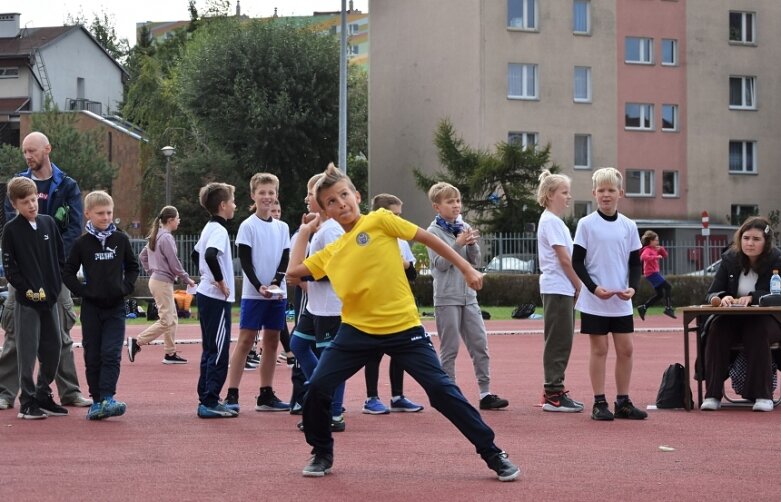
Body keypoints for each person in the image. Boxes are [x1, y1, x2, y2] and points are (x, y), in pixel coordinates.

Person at [286, 164, 519, 481]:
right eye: (330, 201)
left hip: (403, 328)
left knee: (441, 390)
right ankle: (321, 451)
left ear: (356, 196)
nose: (340, 203)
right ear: (324, 210)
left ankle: (493, 453)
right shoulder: (332, 252)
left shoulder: (380, 220)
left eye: (344, 195)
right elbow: (293, 272)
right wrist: (304, 232)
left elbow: (427, 239)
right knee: (316, 389)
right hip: (356, 331)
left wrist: (466, 268)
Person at [0, 131, 91, 411]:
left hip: (55, 272)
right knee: (16, 334)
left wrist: (52, 261)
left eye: (32, 151)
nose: (28, 156)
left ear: (47, 149)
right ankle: (6, 392)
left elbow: (74, 227)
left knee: (61, 332)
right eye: (24, 151)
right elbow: (10, 224)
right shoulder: (18, 184)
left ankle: (69, 391)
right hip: (24, 276)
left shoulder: (67, 185)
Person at [572, 167, 647, 421]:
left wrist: (633, 288)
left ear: (620, 193)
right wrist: (593, 288)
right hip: (595, 300)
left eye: (611, 190)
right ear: (594, 193)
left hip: (620, 301)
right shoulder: (586, 224)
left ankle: (623, 402)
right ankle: (599, 402)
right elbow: (577, 262)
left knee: (626, 349)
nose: (606, 195)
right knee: (600, 349)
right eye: (601, 190)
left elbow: (636, 263)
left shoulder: (629, 225)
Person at [426, 182, 508, 411]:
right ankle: (449, 395)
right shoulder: (432, 232)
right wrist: (457, 243)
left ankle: (485, 393)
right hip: (447, 297)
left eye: (458, 201)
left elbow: (474, 262)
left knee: (480, 345)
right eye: (450, 201)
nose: (456, 205)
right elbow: (440, 265)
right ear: (437, 206)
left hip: (469, 296)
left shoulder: (464, 226)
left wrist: (471, 245)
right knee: (449, 349)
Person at [62, 190, 139, 420]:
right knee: (93, 355)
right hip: (91, 309)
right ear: (88, 214)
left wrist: (125, 288)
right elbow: (67, 272)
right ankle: (97, 401)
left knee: (111, 353)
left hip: (115, 308)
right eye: (100, 213)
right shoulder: (82, 243)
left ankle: (108, 397)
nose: (105, 217)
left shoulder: (121, 240)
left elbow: (133, 267)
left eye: (109, 213)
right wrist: (83, 292)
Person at [224, 173, 290, 413]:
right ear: (253, 195)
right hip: (254, 295)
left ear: (276, 195)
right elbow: (245, 259)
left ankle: (266, 393)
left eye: (271, 192)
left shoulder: (282, 227)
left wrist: (275, 282)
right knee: (246, 340)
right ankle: (232, 393)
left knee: (272, 341)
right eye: (262, 192)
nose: (267, 197)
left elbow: (285, 257)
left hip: (277, 294)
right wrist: (259, 285)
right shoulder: (247, 225)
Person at [700, 216, 781, 412]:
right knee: (717, 329)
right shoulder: (729, 259)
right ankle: (712, 394)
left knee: (757, 330)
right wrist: (721, 298)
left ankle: (763, 396)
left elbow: (778, 295)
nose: (750, 243)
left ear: (766, 242)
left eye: (756, 239)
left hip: (768, 319)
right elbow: (711, 292)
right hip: (732, 318)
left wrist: (754, 298)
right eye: (746, 238)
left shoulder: (777, 260)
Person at [1, 177, 66, 419]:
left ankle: (42, 394)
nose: (31, 205)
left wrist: (55, 286)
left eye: (33, 199)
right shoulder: (11, 230)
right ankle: (26, 402)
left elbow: (60, 257)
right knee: (27, 353)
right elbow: (10, 269)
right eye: (25, 202)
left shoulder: (48, 223)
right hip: (27, 303)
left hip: (50, 299)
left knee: (54, 347)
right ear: (14, 204)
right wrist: (26, 289)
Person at [289, 172, 347, 431]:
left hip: (331, 308)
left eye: (311, 194)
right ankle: (319, 391)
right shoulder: (320, 228)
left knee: (330, 359)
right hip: (315, 305)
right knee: (298, 344)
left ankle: (334, 413)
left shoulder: (332, 230)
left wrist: (304, 274)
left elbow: (336, 269)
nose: (306, 198)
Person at [362, 193, 423, 414]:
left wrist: (405, 263)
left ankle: (397, 396)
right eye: (394, 215)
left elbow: (414, 274)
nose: (398, 219)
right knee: (373, 352)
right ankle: (371, 398)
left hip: (396, 304)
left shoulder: (402, 241)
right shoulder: (366, 238)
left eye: (400, 215)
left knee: (399, 352)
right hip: (374, 305)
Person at [536, 170, 584, 413]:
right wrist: (579, 285)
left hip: (560, 287)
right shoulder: (551, 222)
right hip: (558, 287)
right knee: (559, 340)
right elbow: (565, 259)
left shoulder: (554, 221)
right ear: (550, 194)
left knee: (562, 339)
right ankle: (554, 393)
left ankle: (554, 389)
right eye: (564, 192)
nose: (569, 197)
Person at [191, 182, 237, 418]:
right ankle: (209, 400)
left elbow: (195, 253)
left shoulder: (208, 227)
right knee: (219, 349)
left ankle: (206, 396)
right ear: (222, 205)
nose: (235, 206)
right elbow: (209, 255)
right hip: (216, 297)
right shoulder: (218, 230)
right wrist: (220, 281)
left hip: (205, 295)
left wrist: (205, 276)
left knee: (210, 348)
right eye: (232, 201)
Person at [128, 206, 195, 364]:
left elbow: (142, 256)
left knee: (172, 318)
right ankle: (137, 342)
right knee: (166, 320)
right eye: (178, 218)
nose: (179, 221)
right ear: (171, 220)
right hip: (162, 282)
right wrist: (187, 279)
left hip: (158, 280)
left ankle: (170, 354)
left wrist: (152, 271)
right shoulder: (166, 238)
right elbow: (174, 263)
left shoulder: (156, 235)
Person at [637, 230, 676, 320]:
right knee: (668, 287)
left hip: (654, 273)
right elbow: (643, 257)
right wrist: (656, 257)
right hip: (651, 273)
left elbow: (665, 255)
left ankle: (643, 307)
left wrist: (661, 249)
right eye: (656, 240)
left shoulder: (655, 249)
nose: (657, 242)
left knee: (660, 295)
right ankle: (668, 308)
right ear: (650, 241)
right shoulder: (647, 249)